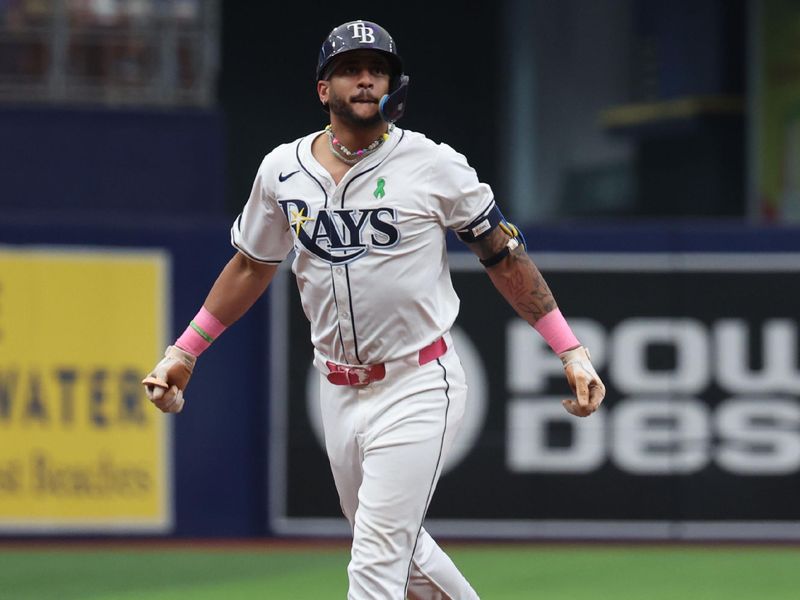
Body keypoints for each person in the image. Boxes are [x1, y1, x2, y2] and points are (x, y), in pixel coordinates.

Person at [143, 19, 606, 600]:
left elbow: (504, 257)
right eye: (349, 70)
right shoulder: (281, 171)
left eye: (377, 69)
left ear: (394, 83)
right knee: (398, 547)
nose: (365, 80)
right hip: (336, 388)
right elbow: (250, 265)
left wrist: (570, 348)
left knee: (376, 556)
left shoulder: (434, 165)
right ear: (323, 89)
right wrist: (185, 350)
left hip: (418, 380)